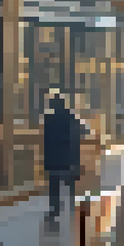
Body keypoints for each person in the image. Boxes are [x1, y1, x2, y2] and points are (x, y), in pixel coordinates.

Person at [42, 90, 89, 229]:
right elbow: (79, 135)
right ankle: (72, 211)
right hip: (68, 159)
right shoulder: (71, 118)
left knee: (54, 188)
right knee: (71, 188)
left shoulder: (49, 119)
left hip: (54, 161)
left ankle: (55, 210)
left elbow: (46, 141)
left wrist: (46, 162)